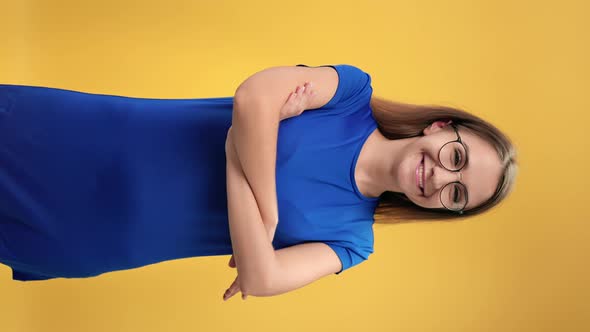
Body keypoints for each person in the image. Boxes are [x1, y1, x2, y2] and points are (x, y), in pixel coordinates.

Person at [0, 64, 516, 299]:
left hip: (88, 238)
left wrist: (236, 151)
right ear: (441, 127)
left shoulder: (352, 242)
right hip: (80, 135)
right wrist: (262, 216)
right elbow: (253, 98)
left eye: (457, 194)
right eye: (456, 157)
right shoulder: (352, 94)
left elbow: (263, 280)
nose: (440, 177)